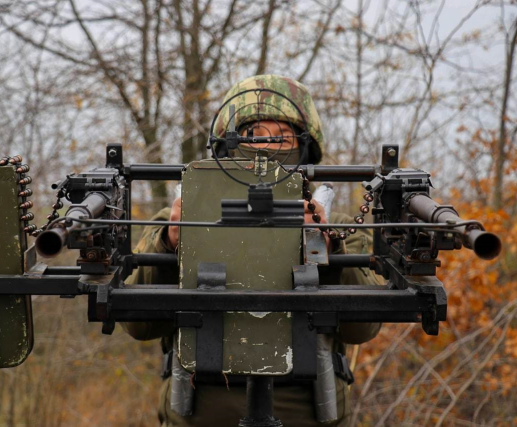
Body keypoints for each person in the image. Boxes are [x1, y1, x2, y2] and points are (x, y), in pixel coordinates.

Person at [122, 75, 382, 426]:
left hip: (307, 411)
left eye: (283, 136)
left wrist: (327, 245)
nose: (268, 147)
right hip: (199, 412)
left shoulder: (336, 225)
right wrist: (170, 242)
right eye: (255, 134)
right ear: (229, 143)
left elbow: (363, 329)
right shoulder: (181, 218)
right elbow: (137, 324)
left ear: (305, 147)